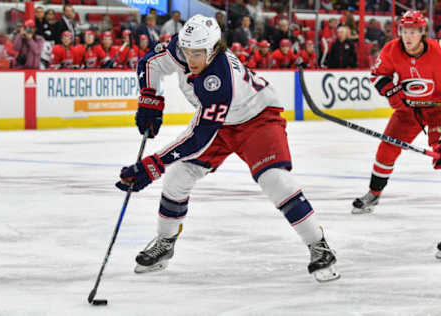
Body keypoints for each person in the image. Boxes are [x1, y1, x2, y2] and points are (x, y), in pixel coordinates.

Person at [116, 14, 340, 282]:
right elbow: (149, 63)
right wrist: (149, 99)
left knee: (274, 180)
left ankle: (319, 244)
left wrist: (152, 165)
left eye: (198, 53)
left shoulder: (219, 77)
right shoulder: (180, 48)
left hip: (257, 118)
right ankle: (165, 243)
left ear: (213, 49)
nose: (190, 60)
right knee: (177, 178)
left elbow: (199, 136)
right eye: (187, 52)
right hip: (219, 123)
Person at [352, 11, 441, 218]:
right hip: (408, 111)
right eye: (404, 31)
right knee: (386, 149)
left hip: (438, 111)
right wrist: (393, 93)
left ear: (422, 33)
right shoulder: (391, 50)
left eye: (413, 32)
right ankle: (373, 194)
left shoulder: (438, 50)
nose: (408, 37)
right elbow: (378, 75)